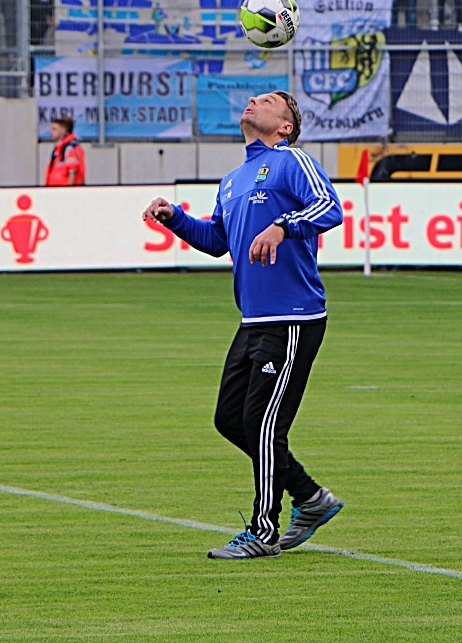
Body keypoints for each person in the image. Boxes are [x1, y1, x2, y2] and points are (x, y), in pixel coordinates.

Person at [141, 91, 345, 560]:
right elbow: (217, 241)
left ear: (285, 126)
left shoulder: (292, 160)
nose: (255, 100)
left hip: (293, 318)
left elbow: (329, 208)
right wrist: (176, 220)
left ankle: (263, 532)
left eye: (270, 100)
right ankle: (311, 498)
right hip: (253, 320)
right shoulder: (232, 180)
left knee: (262, 423)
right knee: (231, 420)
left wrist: (283, 225)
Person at [45, 116, 86, 186]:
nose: (51, 132)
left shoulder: (69, 148)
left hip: (63, 192)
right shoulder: (59, 148)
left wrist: (68, 192)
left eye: (54, 129)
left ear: (63, 130)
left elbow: (72, 172)